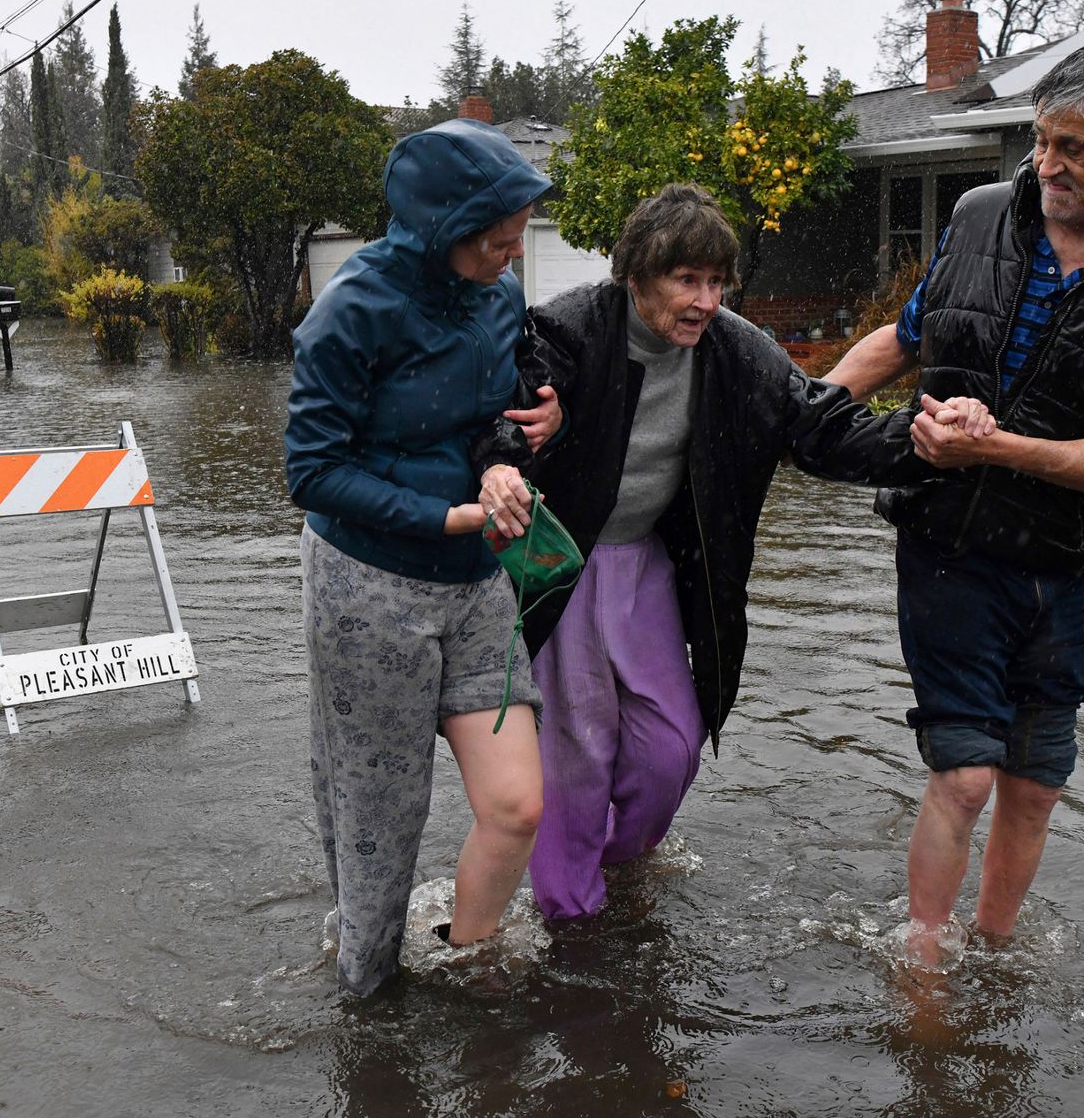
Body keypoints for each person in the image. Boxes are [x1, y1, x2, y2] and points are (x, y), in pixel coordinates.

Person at [822, 43, 1084, 963]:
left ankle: (994, 953)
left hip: (1068, 571)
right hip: (948, 545)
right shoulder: (980, 215)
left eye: (1074, 147)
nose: (1047, 167)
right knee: (962, 777)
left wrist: (998, 445)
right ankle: (923, 963)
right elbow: (907, 337)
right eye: (1040, 142)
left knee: (1033, 787)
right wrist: (806, 413)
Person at [514, 183, 954, 922]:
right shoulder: (568, 332)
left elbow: (821, 429)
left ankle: (617, 873)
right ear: (635, 273)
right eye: (687, 280)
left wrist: (922, 437)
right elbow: (501, 405)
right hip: (564, 562)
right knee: (578, 752)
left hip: (647, 563)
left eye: (717, 282)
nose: (705, 301)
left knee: (671, 746)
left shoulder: (739, 352)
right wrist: (530, 427)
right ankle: (569, 917)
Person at [286, 118, 561, 996]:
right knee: (382, 824)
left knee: (517, 805)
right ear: (446, 230)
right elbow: (312, 470)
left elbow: (492, 416)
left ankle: (469, 973)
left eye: (520, 236)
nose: (516, 254)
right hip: (368, 587)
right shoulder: (350, 312)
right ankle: (367, 1015)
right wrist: (445, 516)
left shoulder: (498, 297)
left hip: (479, 580)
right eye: (500, 239)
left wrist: (513, 452)